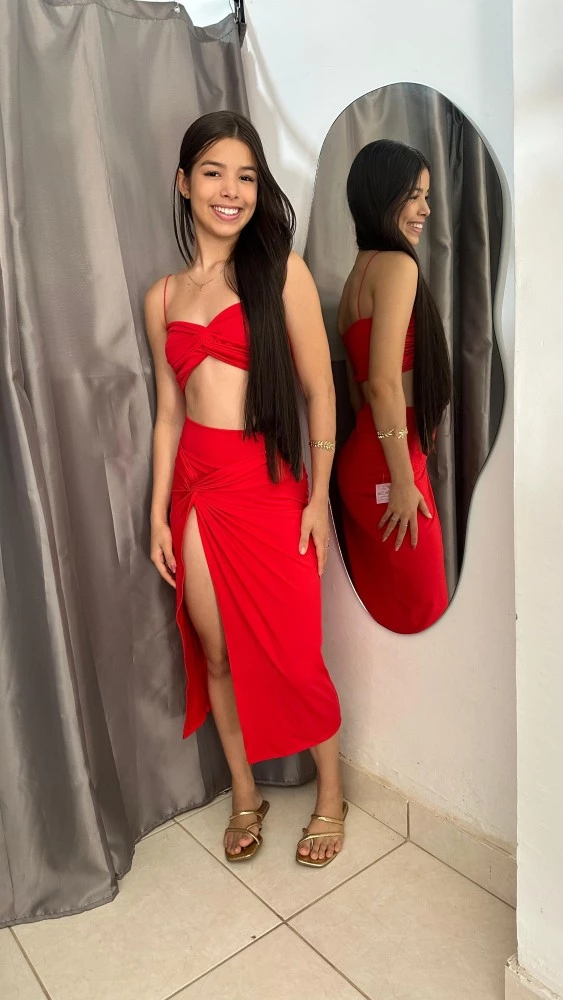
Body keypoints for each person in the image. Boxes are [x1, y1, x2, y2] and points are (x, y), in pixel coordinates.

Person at [144, 111, 345, 867]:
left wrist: (317, 498)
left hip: (268, 483)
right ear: (183, 182)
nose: (231, 190)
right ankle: (244, 792)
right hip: (196, 490)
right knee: (217, 652)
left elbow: (320, 391)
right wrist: (157, 516)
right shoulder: (162, 297)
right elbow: (168, 414)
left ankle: (331, 796)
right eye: (213, 173)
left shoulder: (280, 271)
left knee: (294, 652)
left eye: (247, 176)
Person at [336, 140, 451, 634]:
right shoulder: (398, 267)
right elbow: (382, 386)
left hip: (368, 458)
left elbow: (358, 395)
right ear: (383, 197)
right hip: (391, 467)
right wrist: (403, 480)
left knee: (385, 621)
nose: (426, 209)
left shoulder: (354, 279)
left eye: (426, 196)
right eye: (413, 196)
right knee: (425, 615)